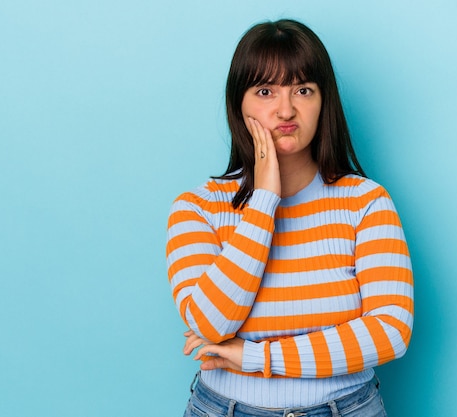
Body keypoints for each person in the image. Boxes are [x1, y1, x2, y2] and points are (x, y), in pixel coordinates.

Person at [166, 19, 413, 417]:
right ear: (239, 103)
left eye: (303, 90)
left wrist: (258, 358)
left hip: (348, 409)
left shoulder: (366, 202)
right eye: (265, 91)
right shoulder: (197, 208)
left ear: (323, 102)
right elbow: (212, 324)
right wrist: (264, 199)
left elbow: (389, 332)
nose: (285, 109)